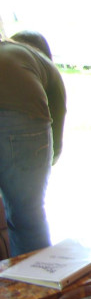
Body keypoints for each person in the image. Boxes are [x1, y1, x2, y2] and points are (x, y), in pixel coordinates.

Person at [0, 30, 66, 256]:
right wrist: (54, 152)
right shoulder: (42, 62)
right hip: (22, 123)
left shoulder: (11, 50)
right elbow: (59, 109)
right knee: (27, 215)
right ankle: (36, 287)